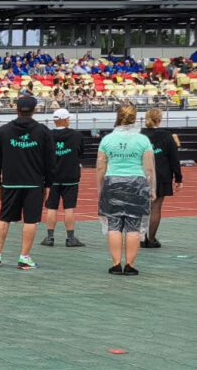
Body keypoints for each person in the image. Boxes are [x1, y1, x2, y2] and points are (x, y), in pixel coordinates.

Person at [0, 95, 54, 270]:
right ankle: (24, 258)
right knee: (31, 220)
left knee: (4, 217)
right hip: (33, 184)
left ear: (16, 109)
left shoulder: (3, 131)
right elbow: (50, 161)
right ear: (34, 110)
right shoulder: (43, 131)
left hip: (10, 183)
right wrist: (48, 184)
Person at [96, 105, 155, 276]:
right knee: (133, 226)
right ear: (135, 118)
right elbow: (149, 168)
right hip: (136, 183)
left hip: (112, 181)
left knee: (114, 225)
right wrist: (151, 188)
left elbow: (100, 167)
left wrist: (100, 187)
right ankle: (130, 264)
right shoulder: (143, 140)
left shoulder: (107, 140)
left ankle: (116, 264)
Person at [41, 108, 86, 248]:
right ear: (66, 120)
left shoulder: (47, 135)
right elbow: (81, 152)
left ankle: (50, 237)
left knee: (51, 207)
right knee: (69, 208)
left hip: (52, 177)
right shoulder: (76, 135)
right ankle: (70, 238)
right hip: (70, 176)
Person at [141, 108, 183, 248]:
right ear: (159, 119)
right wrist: (178, 178)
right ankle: (151, 239)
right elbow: (174, 158)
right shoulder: (166, 136)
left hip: (141, 173)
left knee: (142, 206)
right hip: (161, 174)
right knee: (156, 206)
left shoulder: (139, 135)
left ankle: (142, 238)